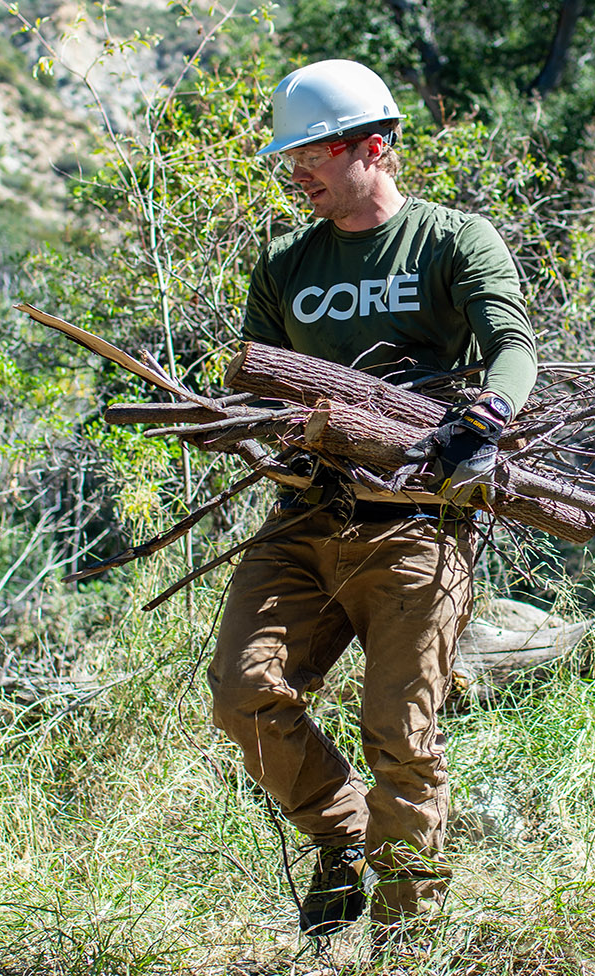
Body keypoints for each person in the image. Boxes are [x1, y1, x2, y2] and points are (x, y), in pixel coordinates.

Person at [206, 59, 537, 938]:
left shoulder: (454, 240)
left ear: (376, 147)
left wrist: (487, 416)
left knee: (401, 735)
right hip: (306, 518)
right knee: (243, 694)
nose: (298, 172)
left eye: (314, 153)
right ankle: (342, 832)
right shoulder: (286, 262)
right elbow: (259, 386)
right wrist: (256, 436)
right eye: (293, 158)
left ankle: (403, 935)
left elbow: (513, 346)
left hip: (420, 525)